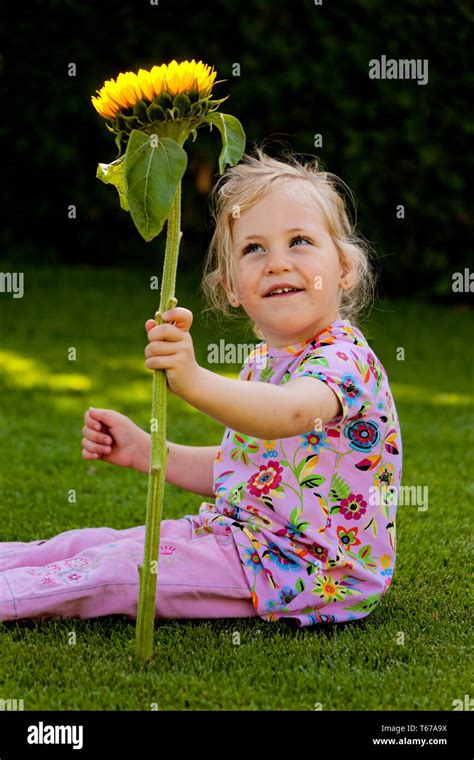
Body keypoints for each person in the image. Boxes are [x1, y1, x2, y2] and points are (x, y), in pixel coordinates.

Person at [0, 146, 402, 627]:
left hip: (305, 569)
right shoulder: (263, 363)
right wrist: (147, 450)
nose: (277, 262)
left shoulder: (344, 358)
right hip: (242, 537)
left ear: (343, 269)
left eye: (299, 241)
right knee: (86, 544)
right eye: (254, 248)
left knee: (115, 570)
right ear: (232, 287)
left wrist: (192, 380)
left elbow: (294, 413)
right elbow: (247, 470)